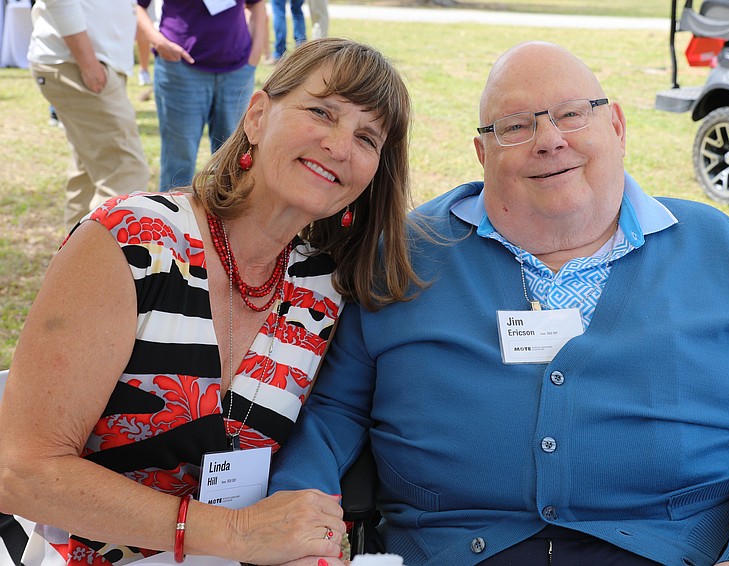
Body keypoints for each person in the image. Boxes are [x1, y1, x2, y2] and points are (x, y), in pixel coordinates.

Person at [268, 41, 729, 566]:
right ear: (482, 150)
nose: (550, 140)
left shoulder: (718, 247)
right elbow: (332, 415)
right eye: (515, 125)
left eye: (574, 114)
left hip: (685, 553)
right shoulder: (407, 253)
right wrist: (297, 528)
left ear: (618, 125)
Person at [0, 38, 417, 566]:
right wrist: (235, 533)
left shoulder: (324, 290)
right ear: (258, 115)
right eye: (321, 112)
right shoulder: (133, 242)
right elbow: (21, 471)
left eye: (367, 137)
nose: (339, 145)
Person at [28, 0, 150, 234]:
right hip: (80, 64)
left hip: (89, 63)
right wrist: (88, 64)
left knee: (86, 174)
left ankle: (73, 265)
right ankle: (92, 265)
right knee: (125, 174)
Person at [134, 0, 267, 192]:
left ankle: (225, 221)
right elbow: (138, 6)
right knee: (179, 163)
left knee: (234, 164)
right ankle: (174, 221)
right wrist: (159, 42)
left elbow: (257, 4)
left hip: (236, 71)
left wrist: (254, 56)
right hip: (181, 70)